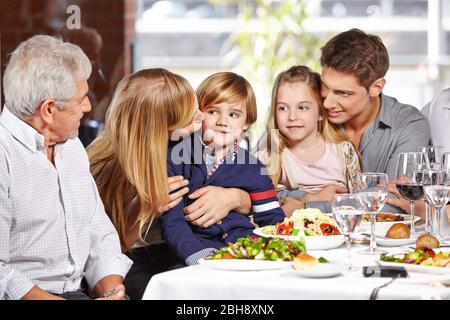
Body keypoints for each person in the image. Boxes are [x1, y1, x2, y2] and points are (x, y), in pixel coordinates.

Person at [87, 68, 251, 300]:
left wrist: (234, 197)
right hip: (132, 261)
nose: (204, 118)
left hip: (183, 249)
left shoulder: (189, 147)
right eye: (192, 118)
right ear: (158, 129)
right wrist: (146, 206)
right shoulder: (100, 166)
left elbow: (253, 187)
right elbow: (103, 252)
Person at [0, 35, 132, 300]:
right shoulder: (4, 156)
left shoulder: (70, 147)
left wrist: (112, 292)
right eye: (80, 98)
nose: (88, 106)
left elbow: (99, 234)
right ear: (48, 109)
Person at [282, 28, 431, 213]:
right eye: (325, 87)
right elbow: (257, 185)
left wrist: (307, 205)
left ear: (376, 87)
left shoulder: (409, 125)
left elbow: (396, 203)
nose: (327, 102)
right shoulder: (305, 111)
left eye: (343, 93)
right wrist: (309, 196)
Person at [161, 72, 285, 266]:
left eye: (233, 114)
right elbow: (172, 222)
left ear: (247, 123)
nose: (222, 122)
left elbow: (272, 219)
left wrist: (276, 249)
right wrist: (199, 257)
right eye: (212, 112)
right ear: (198, 114)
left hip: (245, 248)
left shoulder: (254, 168)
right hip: (193, 253)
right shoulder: (176, 159)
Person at [255, 66, 362, 217]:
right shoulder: (271, 153)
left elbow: (360, 202)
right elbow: (260, 201)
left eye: (303, 107)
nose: (292, 116)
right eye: (283, 108)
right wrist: (312, 198)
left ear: (320, 113)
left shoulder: (343, 150)